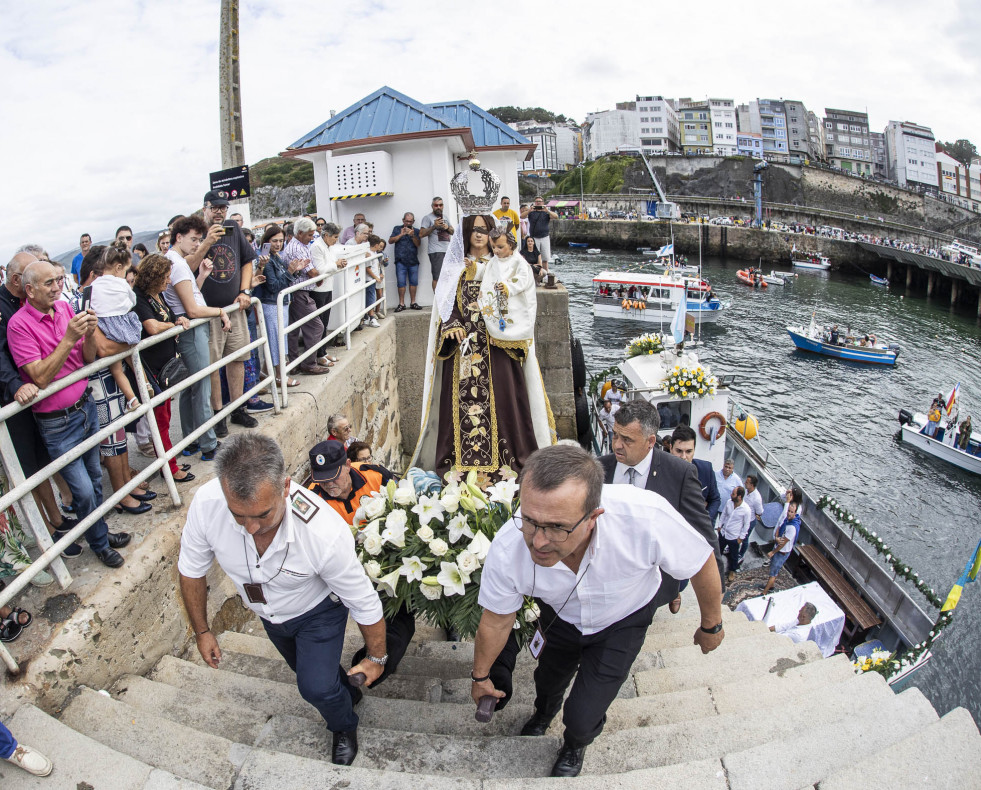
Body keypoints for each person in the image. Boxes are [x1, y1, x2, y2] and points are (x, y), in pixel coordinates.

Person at [471, 445, 724, 778]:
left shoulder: (645, 517)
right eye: (530, 521)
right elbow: (496, 620)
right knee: (547, 679)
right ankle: (543, 712)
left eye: (557, 527)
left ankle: (575, 742)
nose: (539, 542)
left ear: (593, 517)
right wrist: (480, 676)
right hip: (560, 617)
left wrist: (711, 626)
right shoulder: (508, 547)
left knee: (583, 713)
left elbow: (699, 559)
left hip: (623, 620)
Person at [178, 433, 387, 766]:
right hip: (268, 616)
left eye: (262, 515)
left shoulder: (323, 533)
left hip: (317, 610)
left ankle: (344, 725)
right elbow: (191, 570)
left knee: (314, 687)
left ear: (286, 486)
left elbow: (363, 600)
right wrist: (202, 631)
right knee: (313, 674)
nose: (249, 528)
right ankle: (347, 694)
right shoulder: (207, 506)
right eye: (238, 516)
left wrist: (377, 657)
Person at [6, 261, 130, 567]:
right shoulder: (18, 325)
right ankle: (100, 543)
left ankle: (99, 534)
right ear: (29, 289)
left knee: (94, 481)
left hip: (85, 408)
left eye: (59, 280)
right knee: (83, 490)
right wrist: (70, 338)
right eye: (49, 282)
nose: (57, 287)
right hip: (57, 423)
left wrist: (88, 334)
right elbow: (40, 378)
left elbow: (86, 359)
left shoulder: (63, 310)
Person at [410, 214, 555, 477]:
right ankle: (459, 465)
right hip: (465, 348)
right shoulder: (455, 266)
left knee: (504, 401)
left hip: (497, 345)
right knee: (462, 404)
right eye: (474, 229)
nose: (479, 235)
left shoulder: (507, 264)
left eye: (484, 229)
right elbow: (445, 301)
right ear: (465, 233)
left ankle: (507, 461)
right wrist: (452, 323)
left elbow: (522, 295)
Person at [599, 400, 724, 616]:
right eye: (615, 435)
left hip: (655, 585)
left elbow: (704, 535)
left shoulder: (680, 473)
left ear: (650, 441)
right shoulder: (598, 469)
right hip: (609, 583)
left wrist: (715, 596)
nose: (616, 444)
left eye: (627, 439)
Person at [0, 252, 82, 550]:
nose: (50, 285)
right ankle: (46, 531)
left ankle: (58, 519)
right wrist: (15, 384)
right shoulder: (5, 308)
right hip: (12, 396)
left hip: (33, 390)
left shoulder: (28, 303)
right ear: (20, 281)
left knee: (41, 459)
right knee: (26, 467)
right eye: (34, 278)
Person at [164, 215, 230, 462]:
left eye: (199, 240)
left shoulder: (175, 262)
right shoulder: (178, 264)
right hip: (192, 332)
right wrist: (220, 311)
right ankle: (209, 444)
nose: (196, 244)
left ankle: (191, 440)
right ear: (178, 237)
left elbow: (188, 298)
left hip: (188, 331)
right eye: (193, 239)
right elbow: (191, 310)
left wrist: (200, 277)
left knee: (190, 388)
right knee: (201, 387)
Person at [198, 191, 258, 434]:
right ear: (205, 208)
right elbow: (189, 265)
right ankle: (218, 414)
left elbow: (247, 260)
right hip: (210, 312)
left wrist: (244, 290)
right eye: (215, 208)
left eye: (223, 207)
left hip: (234, 308)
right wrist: (207, 241)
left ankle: (238, 408)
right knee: (213, 365)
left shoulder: (232, 227)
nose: (220, 212)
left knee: (238, 358)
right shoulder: (197, 231)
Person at [132, 254, 195, 483]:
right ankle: (169, 467)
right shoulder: (139, 298)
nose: (169, 281)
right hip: (153, 370)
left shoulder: (156, 294)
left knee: (165, 419)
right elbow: (152, 326)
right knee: (160, 422)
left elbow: (165, 318)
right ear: (154, 276)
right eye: (166, 277)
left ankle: (169, 461)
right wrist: (174, 324)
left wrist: (175, 320)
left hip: (165, 366)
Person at [90, 244, 143, 412]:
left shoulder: (94, 285)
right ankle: (145, 383)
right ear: (118, 267)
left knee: (116, 369)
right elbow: (132, 300)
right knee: (134, 357)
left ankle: (132, 399)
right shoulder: (121, 284)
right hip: (124, 325)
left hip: (106, 327)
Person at [283, 217, 330, 375]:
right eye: (310, 235)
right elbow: (312, 272)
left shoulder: (299, 245)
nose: (312, 238)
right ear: (300, 233)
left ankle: (295, 362)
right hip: (299, 292)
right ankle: (309, 363)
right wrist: (319, 277)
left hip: (297, 292)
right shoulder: (297, 248)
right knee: (316, 327)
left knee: (294, 329)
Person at [254, 225, 300, 387]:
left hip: (279, 304)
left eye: (281, 240)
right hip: (271, 305)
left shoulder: (275, 257)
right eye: (274, 241)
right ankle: (280, 376)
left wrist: (295, 270)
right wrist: (290, 272)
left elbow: (283, 278)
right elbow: (273, 286)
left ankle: (266, 373)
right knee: (277, 341)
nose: (278, 244)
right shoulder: (266, 259)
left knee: (277, 340)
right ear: (266, 241)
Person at [669, 425, 722, 524]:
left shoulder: (706, 469)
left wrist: (705, 521)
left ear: (694, 450)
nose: (684, 457)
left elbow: (715, 499)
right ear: (671, 448)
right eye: (679, 451)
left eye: (689, 451)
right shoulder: (660, 470)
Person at [310, 221, 349, 351]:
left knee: (325, 321)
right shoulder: (317, 246)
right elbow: (320, 269)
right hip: (319, 289)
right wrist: (336, 264)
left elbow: (331, 265)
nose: (336, 240)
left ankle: (323, 352)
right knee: (319, 323)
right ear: (326, 235)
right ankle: (319, 353)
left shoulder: (329, 247)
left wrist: (339, 264)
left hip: (328, 287)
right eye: (335, 237)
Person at [762, 499, 800, 595]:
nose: (789, 513)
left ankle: (764, 593)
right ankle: (772, 586)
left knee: (773, 574)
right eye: (788, 511)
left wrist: (773, 552)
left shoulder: (792, 528)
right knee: (774, 569)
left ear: (795, 513)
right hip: (778, 546)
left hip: (781, 552)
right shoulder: (787, 520)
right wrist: (776, 537)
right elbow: (779, 527)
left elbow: (783, 544)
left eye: (791, 512)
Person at [419, 197, 454, 291]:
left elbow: (453, 231)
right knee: (437, 277)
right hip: (436, 251)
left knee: (448, 277)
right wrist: (434, 226)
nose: (438, 207)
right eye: (436, 205)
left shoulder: (445, 217)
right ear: (432, 206)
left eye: (440, 205)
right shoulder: (427, 218)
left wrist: (447, 227)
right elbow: (421, 234)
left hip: (447, 250)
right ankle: (437, 302)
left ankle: (446, 300)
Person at [717, 486, 751, 583]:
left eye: (733, 494)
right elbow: (723, 514)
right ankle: (716, 567)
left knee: (733, 556)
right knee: (718, 550)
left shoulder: (746, 509)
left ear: (739, 497)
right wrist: (719, 526)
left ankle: (732, 571)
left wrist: (741, 538)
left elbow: (746, 525)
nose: (731, 495)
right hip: (724, 533)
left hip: (734, 537)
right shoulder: (729, 502)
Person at [389, 212, 421, 312]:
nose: (408, 223)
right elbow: (390, 241)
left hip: (413, 260)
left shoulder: (416, 231)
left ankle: (413, 302)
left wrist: (412, 236)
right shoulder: (397, 229)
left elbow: (418, 244)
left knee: (414, 282)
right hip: (400, 260)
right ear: (403, 220)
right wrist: (401, 234)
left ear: (413, 222)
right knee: (401, 283)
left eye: (410, 221)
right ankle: (401, 303)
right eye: (406, 221)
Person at [521, 197, 558, 266]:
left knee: (545, 258)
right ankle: (537, 272)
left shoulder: (546, 213)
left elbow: (556, 216)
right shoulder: (531, 213)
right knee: (535, 257)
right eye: (537, 201)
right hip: (534, 237)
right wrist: (529, 210)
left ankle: (545, 274)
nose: (538, 202)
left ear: (543, 203)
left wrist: (547, 211)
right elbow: (522, 216)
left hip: (545, 237)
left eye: (540, 201)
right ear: (535, 203)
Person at [739, 474, 764, 563]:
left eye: (747, 482)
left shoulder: (756, 498)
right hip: (741, 518)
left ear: (752, 485)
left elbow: (760, 511)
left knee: (745, 538)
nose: (745, 483)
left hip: (749, 521)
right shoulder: (746, 491)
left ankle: (741, 555)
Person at [364, 235, 386, 324]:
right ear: (376, 245)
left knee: (372, 298)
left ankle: (368, 317)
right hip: (369, 280)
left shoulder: (374, 253)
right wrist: (376, 277)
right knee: (371, 298)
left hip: (372, 280)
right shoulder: (369, 253)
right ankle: (371, 317)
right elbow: (368, 268)